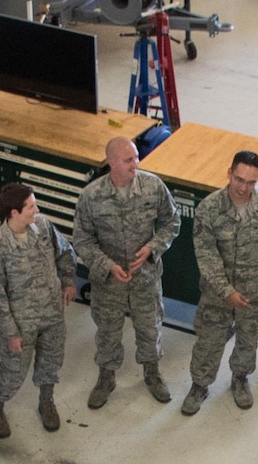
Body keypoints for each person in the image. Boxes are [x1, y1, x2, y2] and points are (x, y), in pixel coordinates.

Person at [73, 136, 182, 408]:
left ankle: (152, 373)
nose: (136, 164)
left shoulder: (152, 187)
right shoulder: (92, 197)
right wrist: (106, 264)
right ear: (111, 162)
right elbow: (82, 240)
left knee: (150, 328)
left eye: (136, 157)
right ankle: (106, 377)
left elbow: (171, 222)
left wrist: (152, 248)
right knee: (108, 331)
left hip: (145, 278)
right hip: (109, 283)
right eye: (129, 159)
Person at [184, 152, 258, 416]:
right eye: (239, 179)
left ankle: (240, 378)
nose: (244, 188)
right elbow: (206, 255)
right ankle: (200, 384)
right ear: (229, 173)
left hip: (256, 293)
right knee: (209, 341)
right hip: (217, 295)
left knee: (248, 341)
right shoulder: (209, 209)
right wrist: (226, 291)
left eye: (251, 182)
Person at [0, 182, 78, 439]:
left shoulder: (43, 227)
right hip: (20, 324)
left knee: (51, 363)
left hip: (52, 315)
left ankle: (46, 402)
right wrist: (10, 332)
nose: (36, 209)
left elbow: (65, 251)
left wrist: (69, 281)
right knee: (14, 371)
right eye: (31, 206)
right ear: (13, 212)